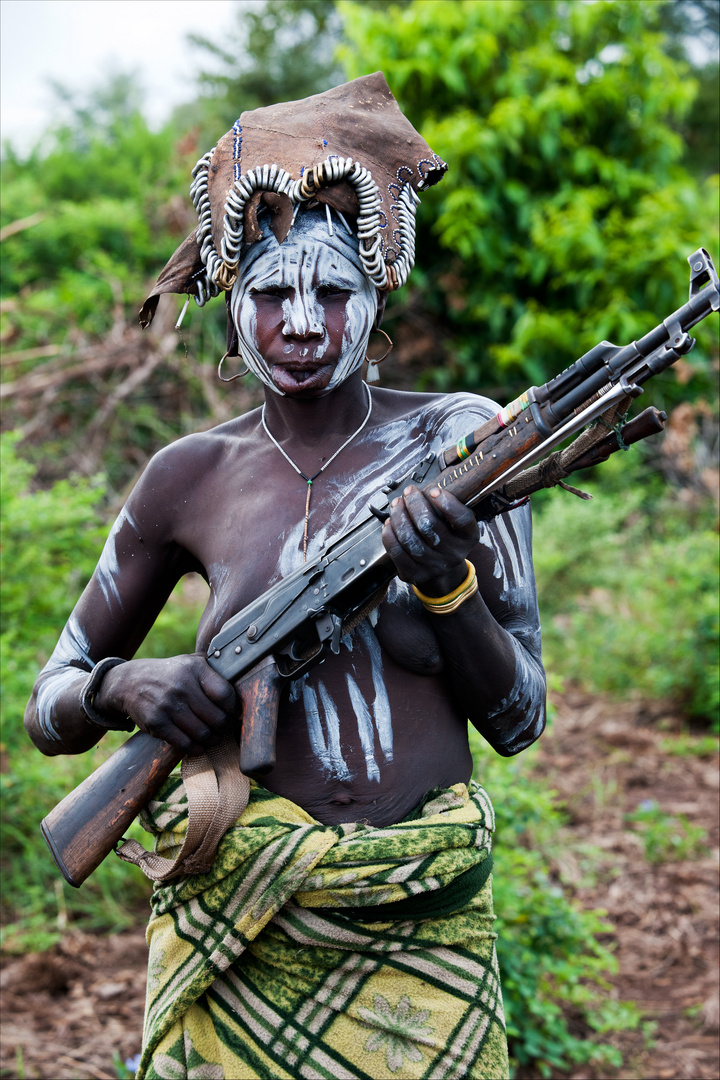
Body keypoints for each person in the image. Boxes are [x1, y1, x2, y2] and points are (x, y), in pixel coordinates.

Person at [25, 73, 546, 1080]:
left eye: (332, 292)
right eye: (270, 294)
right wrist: (122, 685)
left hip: (413, 942)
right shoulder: (187, 476)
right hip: (236, 931)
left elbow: (521, 720)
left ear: (379, 288)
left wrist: (448, 592)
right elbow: (50, 703)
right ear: (232, 299)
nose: (300, 323)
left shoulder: (462, 444)